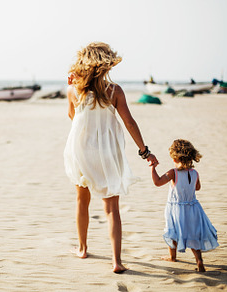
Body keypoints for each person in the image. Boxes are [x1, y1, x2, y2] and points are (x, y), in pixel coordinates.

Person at [64, 42, 158, 273]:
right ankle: (116, 261)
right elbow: (129, 122)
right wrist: (144, 151)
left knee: (81, 200)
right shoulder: (115, 91)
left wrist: (75, 89)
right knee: (112, 208)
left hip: (81, 150)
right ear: (106, 66)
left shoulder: (73, 89)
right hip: (107, 151)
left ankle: (83, 248)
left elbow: (72, 116)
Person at [150, 139, 219, 272]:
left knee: (172, 231)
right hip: (193, 208)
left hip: (176, 209)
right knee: (193, 235)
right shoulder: (194, 173)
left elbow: (157, 182)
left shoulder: (173, 173)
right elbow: (197, 188)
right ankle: (199, 260)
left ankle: (172, 257)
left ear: (175, 158)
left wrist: (153, 168)